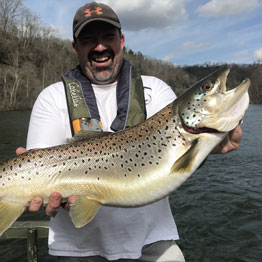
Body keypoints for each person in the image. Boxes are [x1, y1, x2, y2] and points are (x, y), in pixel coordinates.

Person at [16, 2, 243, 262]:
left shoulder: (156, 91)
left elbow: (175, 162)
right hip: (76, 250)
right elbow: (39, 174)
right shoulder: (52, 97)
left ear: (121, 40)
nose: (100, 46)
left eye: (108, 37)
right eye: (89, 39)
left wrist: (209, 148)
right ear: (75, 47)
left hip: (153, 243)